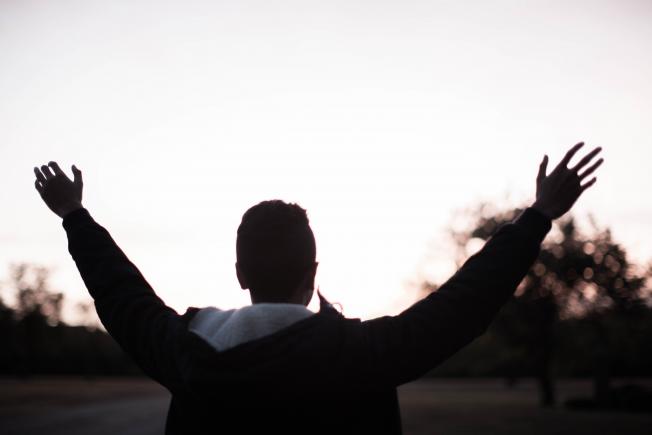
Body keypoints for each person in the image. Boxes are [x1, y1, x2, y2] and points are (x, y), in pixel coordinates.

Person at [33, 142, 603, 434]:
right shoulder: (360, 356)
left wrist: (75, 217)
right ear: (314, 275)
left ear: (239, 275)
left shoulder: (183, 351)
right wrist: (537, 217)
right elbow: (462, 304)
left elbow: (123, 298)